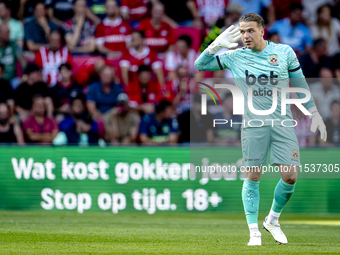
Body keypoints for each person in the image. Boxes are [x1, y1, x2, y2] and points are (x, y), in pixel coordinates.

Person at [194, 13, 327, 246]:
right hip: (253, 125)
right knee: (253, 176)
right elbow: (199, 65)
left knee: (290, 176)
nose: (245, 36)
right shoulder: (235, 56)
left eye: (250, 31)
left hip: (282, 123)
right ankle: (253, 231)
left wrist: (314, 113)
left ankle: (273, 220)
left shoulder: (284, 52)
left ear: (262, 31)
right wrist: (214, 45)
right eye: (242, 31)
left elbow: (300, 83)